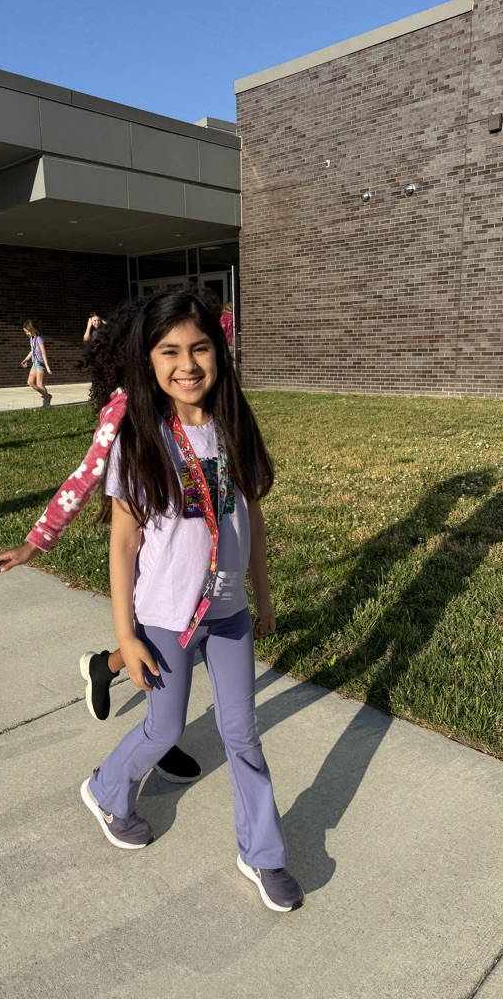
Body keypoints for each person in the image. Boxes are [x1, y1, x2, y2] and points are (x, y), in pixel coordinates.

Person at [80, 289, 304, 912]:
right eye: (169, 350)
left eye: (200, 347)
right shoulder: (139, 439)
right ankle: (106, 790)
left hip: (229, 616)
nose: (187, 363)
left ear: (219, 352)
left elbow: (250, 518)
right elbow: (123, 543)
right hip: (164, 619)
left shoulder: (234, 427)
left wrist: (263, 596)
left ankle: (263, 853)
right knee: (164, 728)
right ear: (148, 361)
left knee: (243, 735)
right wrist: (126, 636)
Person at [0, 307, 200, 784]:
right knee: (161, 642)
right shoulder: (124, 408)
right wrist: (33, 546)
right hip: (147, 551)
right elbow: (84, 478)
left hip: (191, 551)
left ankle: (104, 667)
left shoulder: (189, 396)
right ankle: (158, 738)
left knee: (165, 641)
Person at [21, 320, 53, 407]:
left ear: (32, 329)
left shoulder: (39, 338)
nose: (27, 333)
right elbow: (32, 350)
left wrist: (47, 366)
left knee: (39, 384)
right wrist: (26, 359)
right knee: (30, 382)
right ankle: (47, 396)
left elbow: (43, 352)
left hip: (40, 363)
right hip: (35, 362)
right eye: (25, 332)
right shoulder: (32, 339)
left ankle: (47, 402)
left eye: (27, 331)